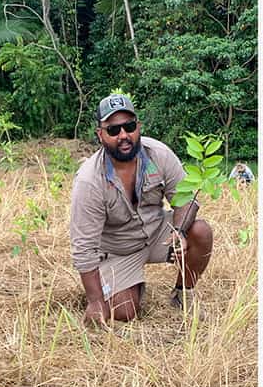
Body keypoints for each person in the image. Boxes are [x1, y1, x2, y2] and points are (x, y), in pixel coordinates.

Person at [71, 92, 214, 322]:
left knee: (201, 232)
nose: (124, 135)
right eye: (113, 130)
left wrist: (179, 231)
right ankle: (127, 286)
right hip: (118, 249)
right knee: (123, 311)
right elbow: (83, 248)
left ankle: (182, 293)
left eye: (129, 126)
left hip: (157, 232)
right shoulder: (89, 180)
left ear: (138, 126)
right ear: (100, 134)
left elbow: (186, 197)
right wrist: (96, 302)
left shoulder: (159, 154)